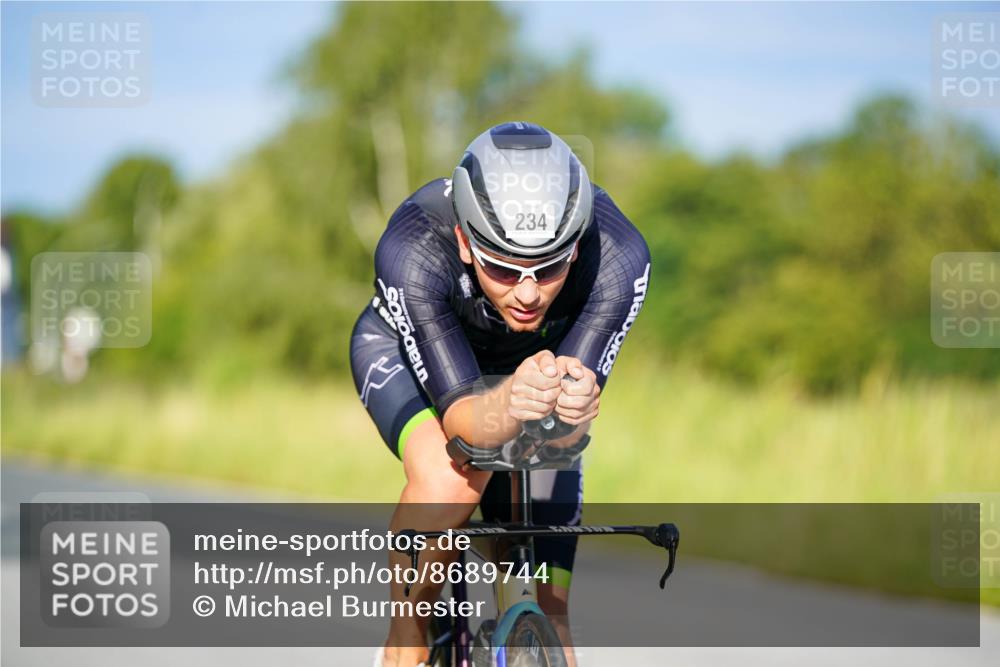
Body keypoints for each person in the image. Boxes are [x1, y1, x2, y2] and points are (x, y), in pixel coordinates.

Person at [350, 121, 651, 667]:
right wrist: (510, 400)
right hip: (415, 359)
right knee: (451, 481)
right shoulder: (413, 245)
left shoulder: (621, 257)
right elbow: (467, 424)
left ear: (577, 245)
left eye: (551, 266)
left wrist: (576, 409)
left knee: (553, 611)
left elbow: (564, 427)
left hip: (529, 371)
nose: (529, 292)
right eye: (503, 269)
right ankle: (407, 634)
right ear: (465, 242)